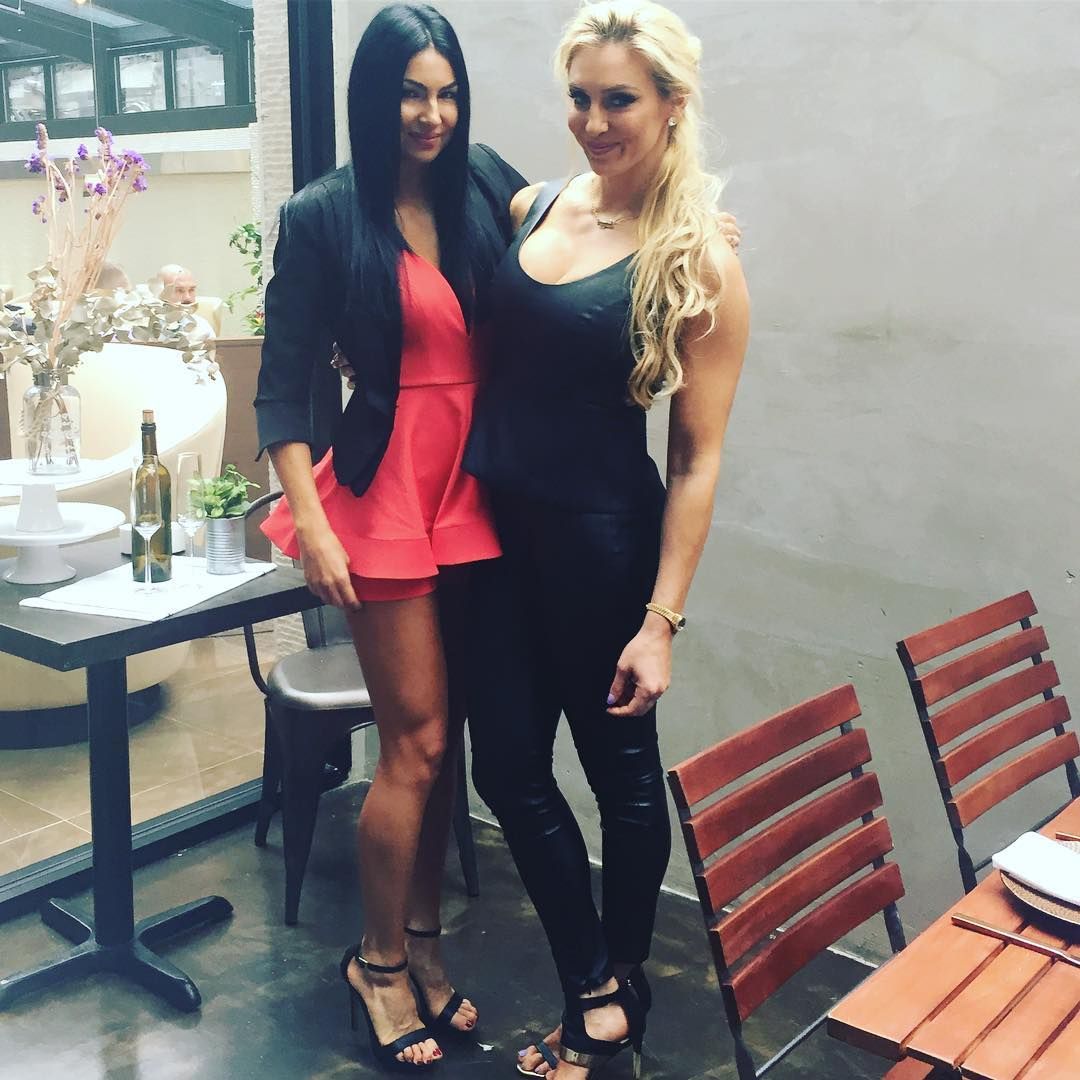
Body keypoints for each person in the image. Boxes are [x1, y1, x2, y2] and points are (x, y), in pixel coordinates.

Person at [461, 3, 751, 1077]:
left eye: (618, 99)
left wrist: (661, 620)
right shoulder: (534, 203)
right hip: (496, 542)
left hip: (602, 547)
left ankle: (619, 990)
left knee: (622, 782)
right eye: (579, 97)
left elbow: (697, 459)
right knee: (507, 771)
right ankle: (594, 985)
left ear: (673, 104)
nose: (593, 121)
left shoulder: (698, 257)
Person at [253, 4, 527, 1070]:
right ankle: (375, 963)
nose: (432, 113)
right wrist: (316, 529)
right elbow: (281, 390)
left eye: (447, 92)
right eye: (412, 92)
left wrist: (686, 227)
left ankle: (423, 942)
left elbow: (578, 218)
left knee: (444, 738)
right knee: (411, 742)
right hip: (384, 490)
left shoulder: (483, 182)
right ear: (374, 95)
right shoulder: (324, 214)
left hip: (475, 484)